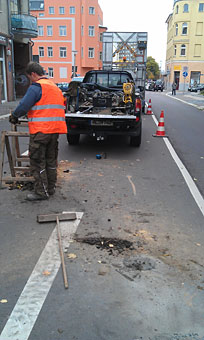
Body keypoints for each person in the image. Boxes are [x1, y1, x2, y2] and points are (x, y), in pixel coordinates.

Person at [9, 62, 67, 201]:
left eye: (30, 77)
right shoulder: (55, 87)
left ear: (33, 74)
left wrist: (14, 116)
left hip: (41, 131)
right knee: (50, 161)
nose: (30, 80)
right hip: (54, 131)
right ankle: (50, 189)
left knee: (37, 161)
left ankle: (41, 192)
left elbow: (24, 106)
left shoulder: (37, 87)